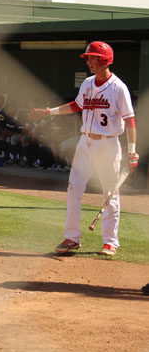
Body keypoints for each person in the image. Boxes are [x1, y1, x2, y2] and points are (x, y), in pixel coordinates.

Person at [30, 41, 138, 256]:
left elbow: (130, 120)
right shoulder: (88, 83)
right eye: (89, 57)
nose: (88, 61)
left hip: (108, 143)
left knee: (110, 192)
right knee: (73, 189)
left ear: (104, 60)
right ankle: (72, 237)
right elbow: (77, 105)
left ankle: (110, 242)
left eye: (92, 57)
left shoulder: (118, 87)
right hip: (85, 142)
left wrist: (132, 151)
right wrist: (49, 112)